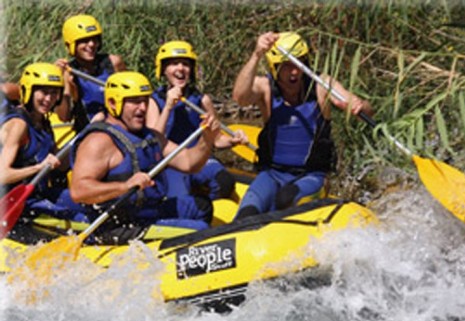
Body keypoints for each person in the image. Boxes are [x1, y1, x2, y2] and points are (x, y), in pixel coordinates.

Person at [232, 32, 374, 219]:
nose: (294, 72)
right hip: (272, 174)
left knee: (285, 200)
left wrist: (358, 105)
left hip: (312, 176)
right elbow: (240, 97)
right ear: (275, 67)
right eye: (287, 66)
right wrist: (257, 54)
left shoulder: (321, 85)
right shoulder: (265, 87)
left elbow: (365, 109)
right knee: (247, 212)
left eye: (299, 64)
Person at [69, 71, 221, 242]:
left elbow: (189, 163)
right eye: (134, 101)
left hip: (148, 211)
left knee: (201, 207)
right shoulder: (98, 141)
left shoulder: (150, 136)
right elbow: (78, 191)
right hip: (117, 225)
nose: (142, 107)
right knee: (200, 230)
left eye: (144, 100)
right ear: (113, 103)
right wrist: (125, 186)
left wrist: (207, 138)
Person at [147, 40, 248, 200]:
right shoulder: (154, 101)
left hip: (200, 159)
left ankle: (211, 208)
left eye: (185, 64)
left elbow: (216, 139)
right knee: (179, 197)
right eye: (174, 64)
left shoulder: (202, 100)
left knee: (225, 182)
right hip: (171, 163)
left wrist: (233, 140)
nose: (180, 68)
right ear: (164, 69)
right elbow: (153, 139)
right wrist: (168, 106)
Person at [0, 62, 86, 221]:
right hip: (13, 202)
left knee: (89, 203)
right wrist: (38, 167)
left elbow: (59, 164)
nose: (49, 99)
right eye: (43, 92)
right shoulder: (18, 125)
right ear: (29, 91)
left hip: (39, 194)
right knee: (81, 218)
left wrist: (84, 145)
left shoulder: (44, 123)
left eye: (54, 93)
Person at [55, 14, 126, 132]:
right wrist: (60, 81)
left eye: (94, 39)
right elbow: (63, 117)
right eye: (84, 41)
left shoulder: (114, 62)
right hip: (88, 133)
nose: (91, 44)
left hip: (118, 130)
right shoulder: (68, 73)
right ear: (71, 45)